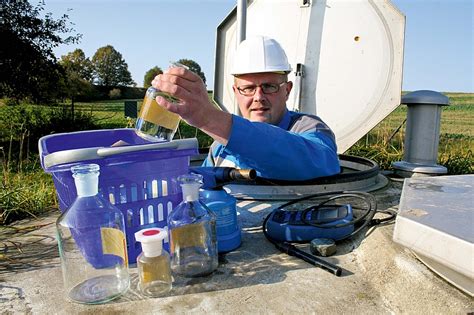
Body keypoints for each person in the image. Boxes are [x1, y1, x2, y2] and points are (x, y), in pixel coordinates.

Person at [151, 35, 340, 181]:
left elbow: (320, 163)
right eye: (248, 88)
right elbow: (198, 184)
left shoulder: (309, 128)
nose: (258, 97)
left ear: (287, 90)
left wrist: (209, 118)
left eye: (269, 87)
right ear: (236, 91)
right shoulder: (220, 147)